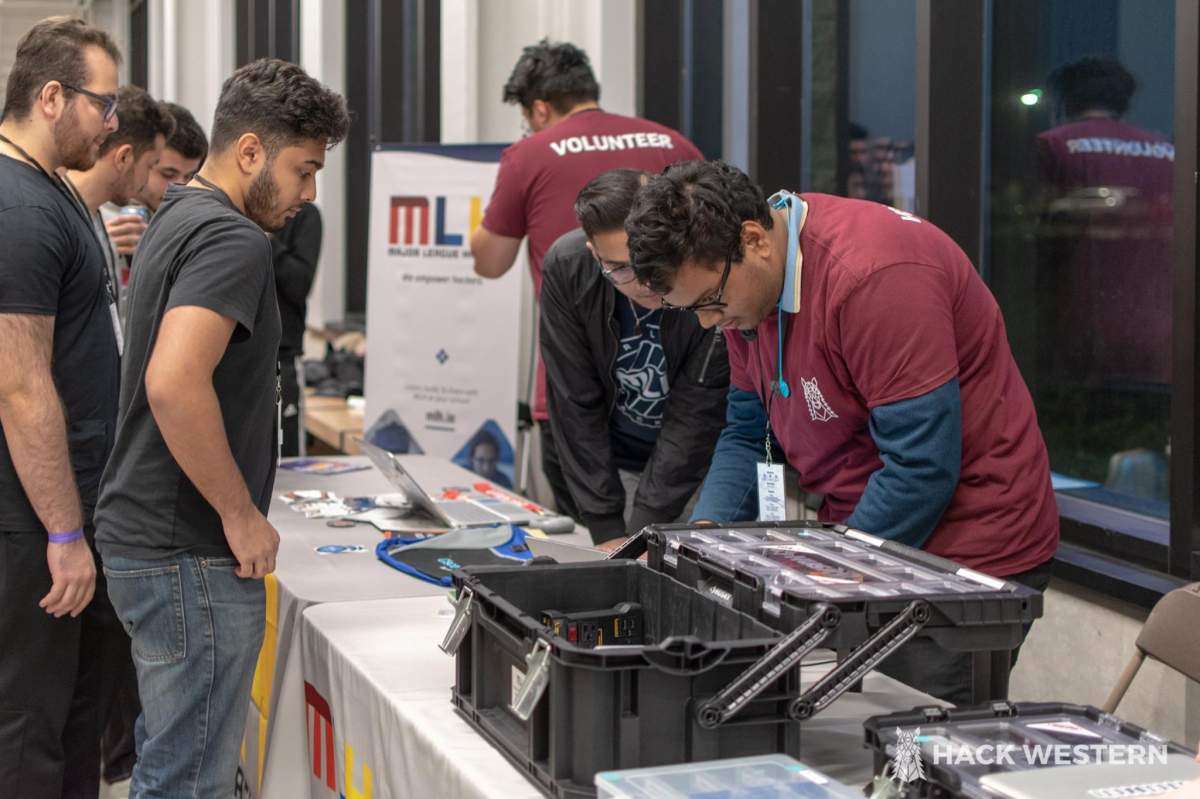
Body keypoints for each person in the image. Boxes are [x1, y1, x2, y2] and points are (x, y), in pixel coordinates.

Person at [625, 159, 1059, 705]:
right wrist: (704, 543)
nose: (709, 323)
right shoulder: (747, 291)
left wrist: (818, 580)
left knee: (905, 748)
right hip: (861, 537)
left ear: (754, 239)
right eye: (692, 310)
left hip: (963, 553)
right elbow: (745, 431)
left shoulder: (874, 277)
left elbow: (920, 469)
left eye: (710, 303)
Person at [94, 58, 349, 796]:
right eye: (303, 170)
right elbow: (173, 382)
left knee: (170, 756)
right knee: (188, 776)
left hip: (151, 537)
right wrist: (239, 514)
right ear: (249, 152)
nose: (307, 194)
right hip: (189, 552)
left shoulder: (176, 213)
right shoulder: (234, 240)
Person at [469, 38, 703, 518]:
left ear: (538, 108)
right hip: (687, 380)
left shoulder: (529, 154)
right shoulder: (671, 141)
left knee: (599, 550)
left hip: (580, 386)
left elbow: (489, 262)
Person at [0, 16, 122, 799]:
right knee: (29, 729)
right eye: (101, 104)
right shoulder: (20, 208)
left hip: (65, 506)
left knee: (75, 715)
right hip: (33, 522)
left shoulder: (52, 192)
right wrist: (65, 531)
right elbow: (20, 384)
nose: (112, 123)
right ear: (52, 96)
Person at [540, 169, 728, 545]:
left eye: (646, 260)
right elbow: (574, 400)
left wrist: (640, 534)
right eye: (620, 268)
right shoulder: (567, 266)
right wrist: (607, 527)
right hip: (616, 461)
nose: (644, 282)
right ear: (594, 254)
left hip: (703, 465)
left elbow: (695, 416)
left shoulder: (701, 268)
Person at [63, 84, 173, 321]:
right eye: (151, 165)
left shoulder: (94, 217)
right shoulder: (56, 221)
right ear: (124, 157)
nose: (146, 181)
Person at [273, 201, 322, 456]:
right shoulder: (226, 214)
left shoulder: (305, 216)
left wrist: (265, 237)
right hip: (231, 356)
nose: (310, 190)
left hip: (282, 359)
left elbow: (299, 285)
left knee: (287, 458)